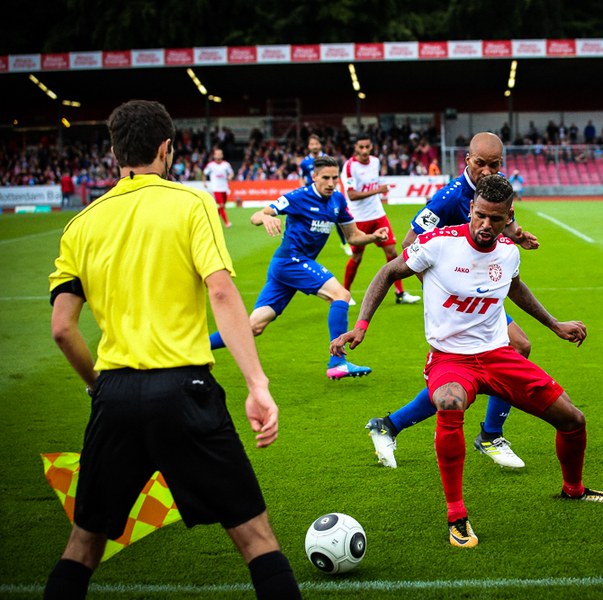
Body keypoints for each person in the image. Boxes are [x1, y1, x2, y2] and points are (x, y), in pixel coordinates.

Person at [44, 100, 301, 599]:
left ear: (114, 153)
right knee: (255, 538)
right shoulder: (192, 203)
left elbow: (61, 328)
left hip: (115, 395)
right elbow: (221, 292)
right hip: (186, 391)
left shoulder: (80, 225)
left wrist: (100, 387)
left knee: (82, 545)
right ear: (166, 148)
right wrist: (257, 384)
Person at [331, 174, 603, 549]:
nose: (485, 224)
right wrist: (361, 326)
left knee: (573, 420)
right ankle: (457, 516)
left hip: (498, 356)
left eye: (495, 219)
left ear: (508, 217)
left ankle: (574, 490)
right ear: (470, 208)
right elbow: (388, 272)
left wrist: (554, 324)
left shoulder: (508, 251)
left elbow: (514, 286)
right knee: (449, 402)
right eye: (480, 215)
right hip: (450, 359)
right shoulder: (438, 243)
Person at [364, 132, 539, 471]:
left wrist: (518, 236)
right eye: (480, 164)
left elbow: (505, 221)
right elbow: (409, 243)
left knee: (508, 353)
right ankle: (490, 435)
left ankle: (390, 426)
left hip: (482, 290)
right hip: (460, 296)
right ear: (467, 160)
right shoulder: (449, 197)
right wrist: (440, 288)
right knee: (497, 357)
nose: (487, 171)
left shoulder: (495, 188)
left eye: (494, 165)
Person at [209, 155, 389, 380]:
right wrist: (266, 218)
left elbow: (353, 236)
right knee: (341, 295)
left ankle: (199, 348)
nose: (331, 183)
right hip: (291, 261)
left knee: (254, 326)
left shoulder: (337, 200)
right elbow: (257, 216)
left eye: (334, 178)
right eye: (325, 178)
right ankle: (337, 362)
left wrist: (373, 237)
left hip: (287, 267)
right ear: (314, 177)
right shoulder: (298, 197)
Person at [341, 134, 421, 306]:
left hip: (378, 214)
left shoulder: (375, 162)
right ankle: (344, 294)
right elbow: (352, 195)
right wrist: (378, 190)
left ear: (371, 147)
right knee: (357, 256)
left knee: (392, 252)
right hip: (359, 218)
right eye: (361, 147)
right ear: (356, 148)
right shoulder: (349, 166)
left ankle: (400, 293)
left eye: (367, 147)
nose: (364, 150)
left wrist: (376, 191)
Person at [301, 134, 352, 255]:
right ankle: (306, 246)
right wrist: (303, 189)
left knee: (337, 218)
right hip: (312, 196)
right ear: (308, 146)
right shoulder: (304, 162)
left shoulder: (328, 160)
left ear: (320, 145)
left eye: (316, 143)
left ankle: (344, 243)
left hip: (327, 194)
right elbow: (302, 177)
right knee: (308, 221)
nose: (314, 146)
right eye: (312, 144)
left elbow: (334, 176)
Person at [203, 148, 234, 228]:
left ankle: (212, 219)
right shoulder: (211, 165)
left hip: (224, 188)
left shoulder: (226, 165)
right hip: (216, 189)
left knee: (222, 206)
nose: (218, 156)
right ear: (214, 155)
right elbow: (204, 173)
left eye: (220, 154)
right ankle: (227, 223)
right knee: (221, 205)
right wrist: (204, 182)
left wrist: (230, 177)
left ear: (222, 155)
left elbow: (231, 173)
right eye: (217, 154)